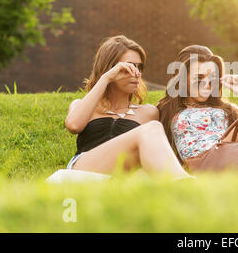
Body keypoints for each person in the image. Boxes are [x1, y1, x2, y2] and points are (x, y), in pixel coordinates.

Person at [64, 35, 191, 179]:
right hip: (84, 168)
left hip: (123, 175)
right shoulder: (82, 105)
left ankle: (182, 185)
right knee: (152, 128)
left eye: (140, 67)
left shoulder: (149, 112)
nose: (137, 73)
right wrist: (106, 78)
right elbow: (73, 125)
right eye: (129, 67)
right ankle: (184, 182)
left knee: (145, 174)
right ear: (110, 69)